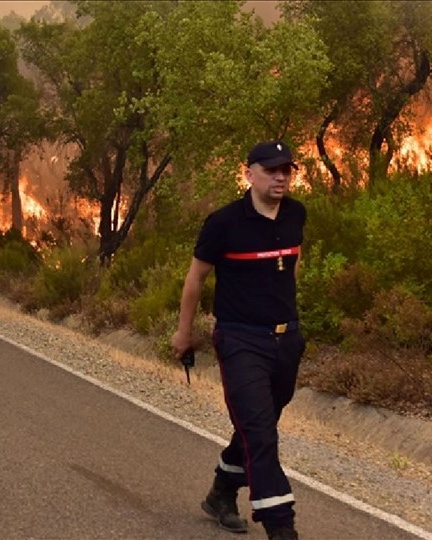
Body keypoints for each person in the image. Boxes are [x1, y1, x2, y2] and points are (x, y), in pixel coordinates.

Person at [172, 140, 307, 540]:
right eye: (271, 170)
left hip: (286, 340)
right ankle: (281, 526)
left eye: (286, 170)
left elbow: (293, 264)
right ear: (249, 174)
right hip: (240, 340)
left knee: (257, 425)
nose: (280, 177)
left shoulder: (296, 214)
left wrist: (288, 316)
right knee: (261, 433)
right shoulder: (224, 223)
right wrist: (184, 333)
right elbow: (195, 279)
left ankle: (222, 491)